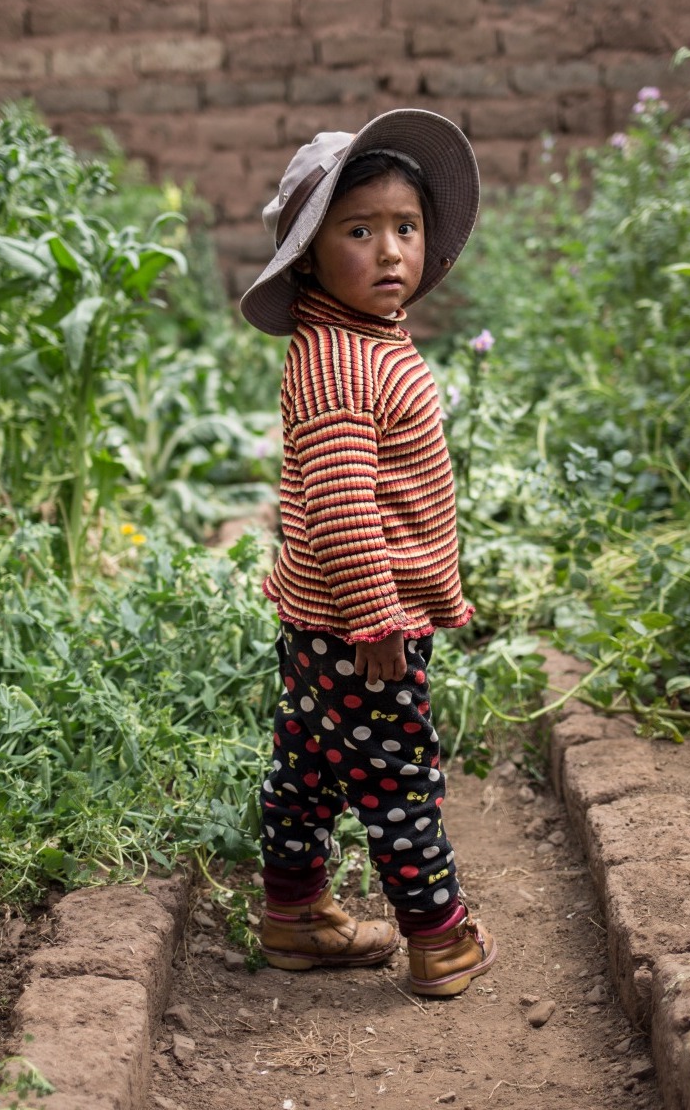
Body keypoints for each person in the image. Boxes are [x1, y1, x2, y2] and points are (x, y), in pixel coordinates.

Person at [239, 109, 496, 998]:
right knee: (396, 782)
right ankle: (441, 939)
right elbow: (346, 512)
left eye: (406, 228)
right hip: (361, 624)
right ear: (309, 255)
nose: (390, 251)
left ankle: (295, 917)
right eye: (360, 230)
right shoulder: (347, 365)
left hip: (322, 625)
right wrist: (380, 620)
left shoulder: (353, 342)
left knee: (309, 772)